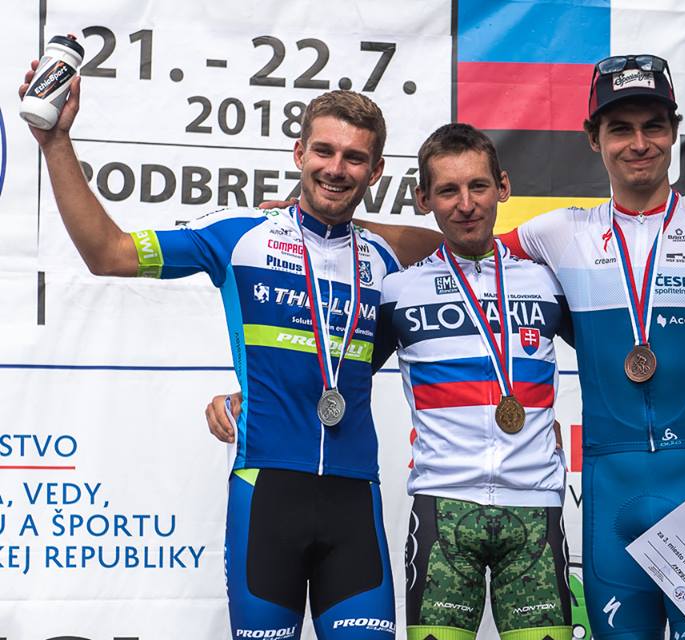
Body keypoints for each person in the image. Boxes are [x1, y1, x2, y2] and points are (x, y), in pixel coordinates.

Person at [19, 59, 436, 639]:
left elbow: (471, 245)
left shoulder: (388, 253)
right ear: (299, 153)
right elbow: (107, 253)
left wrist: (350, 225)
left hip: (354, 499)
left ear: (376, 170)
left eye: (354, 158)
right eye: (323, 151)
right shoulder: (239, 235)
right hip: (265, 497)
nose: (336, 169)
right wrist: (56, 142)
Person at [211, 123, 575, 640]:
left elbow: (607, 359)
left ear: (503, 187)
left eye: (478, 186)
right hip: (442, 507)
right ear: (423, 199)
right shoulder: (399, 289)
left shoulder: (546, 280)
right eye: (447, 190)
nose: (465, 203)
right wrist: (247, 393)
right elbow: (339, 370)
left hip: (535, 506)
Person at [491, 54, 685, 640]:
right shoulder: (558, 233)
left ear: (675, 132)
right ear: (593, 138)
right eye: (620, 128)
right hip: (608, 492)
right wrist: (346, 229)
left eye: (654, 126)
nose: (639, 143)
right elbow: (463, 250)